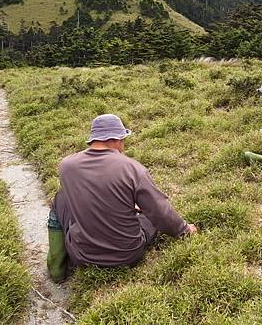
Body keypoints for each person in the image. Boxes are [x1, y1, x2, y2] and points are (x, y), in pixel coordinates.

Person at [47, 114, 197, 278]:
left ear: (93, 139)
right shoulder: (132, 168)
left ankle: (57, 268)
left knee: (60, 199)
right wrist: (184, 230)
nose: (123, 146)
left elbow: (85, 197)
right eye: (123, 140)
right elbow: (161, 211)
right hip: (127, 255)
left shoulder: (66, 166)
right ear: (116, 139)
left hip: (82, 255)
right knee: (149, 214)